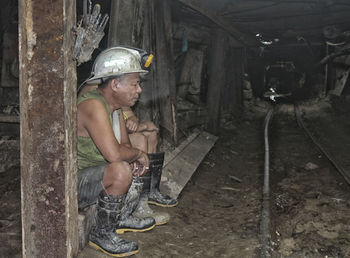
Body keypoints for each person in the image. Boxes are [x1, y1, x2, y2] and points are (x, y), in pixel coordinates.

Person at [77, 46, 156, 256]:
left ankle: (121, 217)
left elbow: (126, 146)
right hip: (73, 184)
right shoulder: (93, 104)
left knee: (132, 154)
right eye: (135, 84)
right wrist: (139, 155)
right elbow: (114, 154)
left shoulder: (115, 108)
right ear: (115, 84)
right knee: (121, 168)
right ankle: (101, 234)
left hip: (95, 174)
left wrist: (136, 154)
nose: (139, 90)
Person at [113, 107, 178, 226]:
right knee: (141, 138)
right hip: (112, 144)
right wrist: (143, 126)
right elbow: (116, 133)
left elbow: (131, 117)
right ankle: (138, 205)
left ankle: (150, 192)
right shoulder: (103, 98)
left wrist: (134, 121)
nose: (138, 90)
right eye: (134, 86)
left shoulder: (120, 100)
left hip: (122, 139)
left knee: (151, 134)